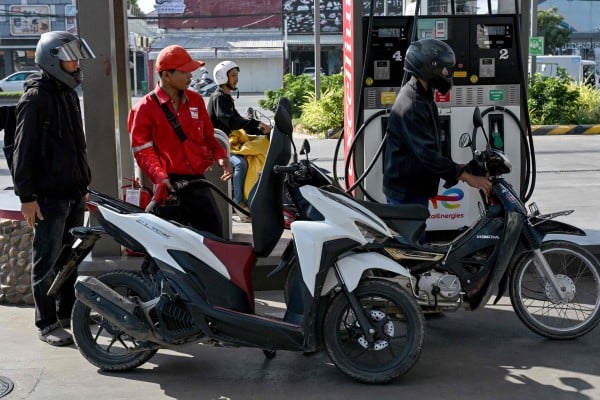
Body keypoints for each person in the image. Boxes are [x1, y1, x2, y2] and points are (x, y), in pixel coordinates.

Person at [12, 31, 95, 346]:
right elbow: (23, 151)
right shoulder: (35, 98)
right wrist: (27, 197)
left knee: (68, 258)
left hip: (73, 193)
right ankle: (46, 322)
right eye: (70, 58)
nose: (76, 64)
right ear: (52, 60)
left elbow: (78, 146)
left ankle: (66, 312)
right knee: (46, 259)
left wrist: (83, 184)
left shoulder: (68, 94)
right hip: (47, 198)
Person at [128, 45, 232, 236]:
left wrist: (221, 156)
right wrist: (160, 176)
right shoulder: (143, 109)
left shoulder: (196, 100)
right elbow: (143, 151)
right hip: (169, 188)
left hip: (198, 183)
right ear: (166, 75)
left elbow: (208, 136)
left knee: (215, 238)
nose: (191, 77)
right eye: (185, 72)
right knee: (170, 247)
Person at [383, 38, 492, 209]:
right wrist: (468, 178)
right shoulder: (413, 104)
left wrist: (460, 168)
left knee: (417, 234)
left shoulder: (422, 96)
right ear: (430, 68)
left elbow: (432, 146)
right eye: (445, 68)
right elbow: (428, 155)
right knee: (412, 235)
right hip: (406, 193)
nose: (447, 73)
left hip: (413, 187)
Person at [206, 60, 271, 221]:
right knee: (240, 164)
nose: (236, 79)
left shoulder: (226, 97)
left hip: (228, 143)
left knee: (253, 154)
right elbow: (232, 122)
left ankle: (249, 198)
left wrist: (258, 128)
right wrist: (256, 125)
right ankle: (238, 202)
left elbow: (238, 120)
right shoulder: (219, 98)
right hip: (218, 146)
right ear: (222, 77)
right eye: (233, 75)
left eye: (236, 75)